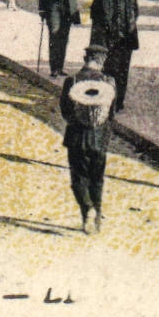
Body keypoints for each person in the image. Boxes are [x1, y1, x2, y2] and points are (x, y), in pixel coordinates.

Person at [60, 48, 117, 234]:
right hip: (100, 138)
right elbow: (112, 113)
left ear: (85, 59)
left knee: (79, 178)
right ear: (102, 61)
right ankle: (97, 216)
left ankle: (87, 211)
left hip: (77, 137)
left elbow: (65, 111)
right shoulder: (110, 82)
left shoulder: (72, 81)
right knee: (97, 179)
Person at [90, 0, 140, 112]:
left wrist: (128, 29)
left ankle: (118, 102)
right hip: (108, 41)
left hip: (125, 40)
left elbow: (135, 12)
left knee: (123, 72)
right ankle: (108, 101)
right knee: (108, 72)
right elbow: (95, 16)